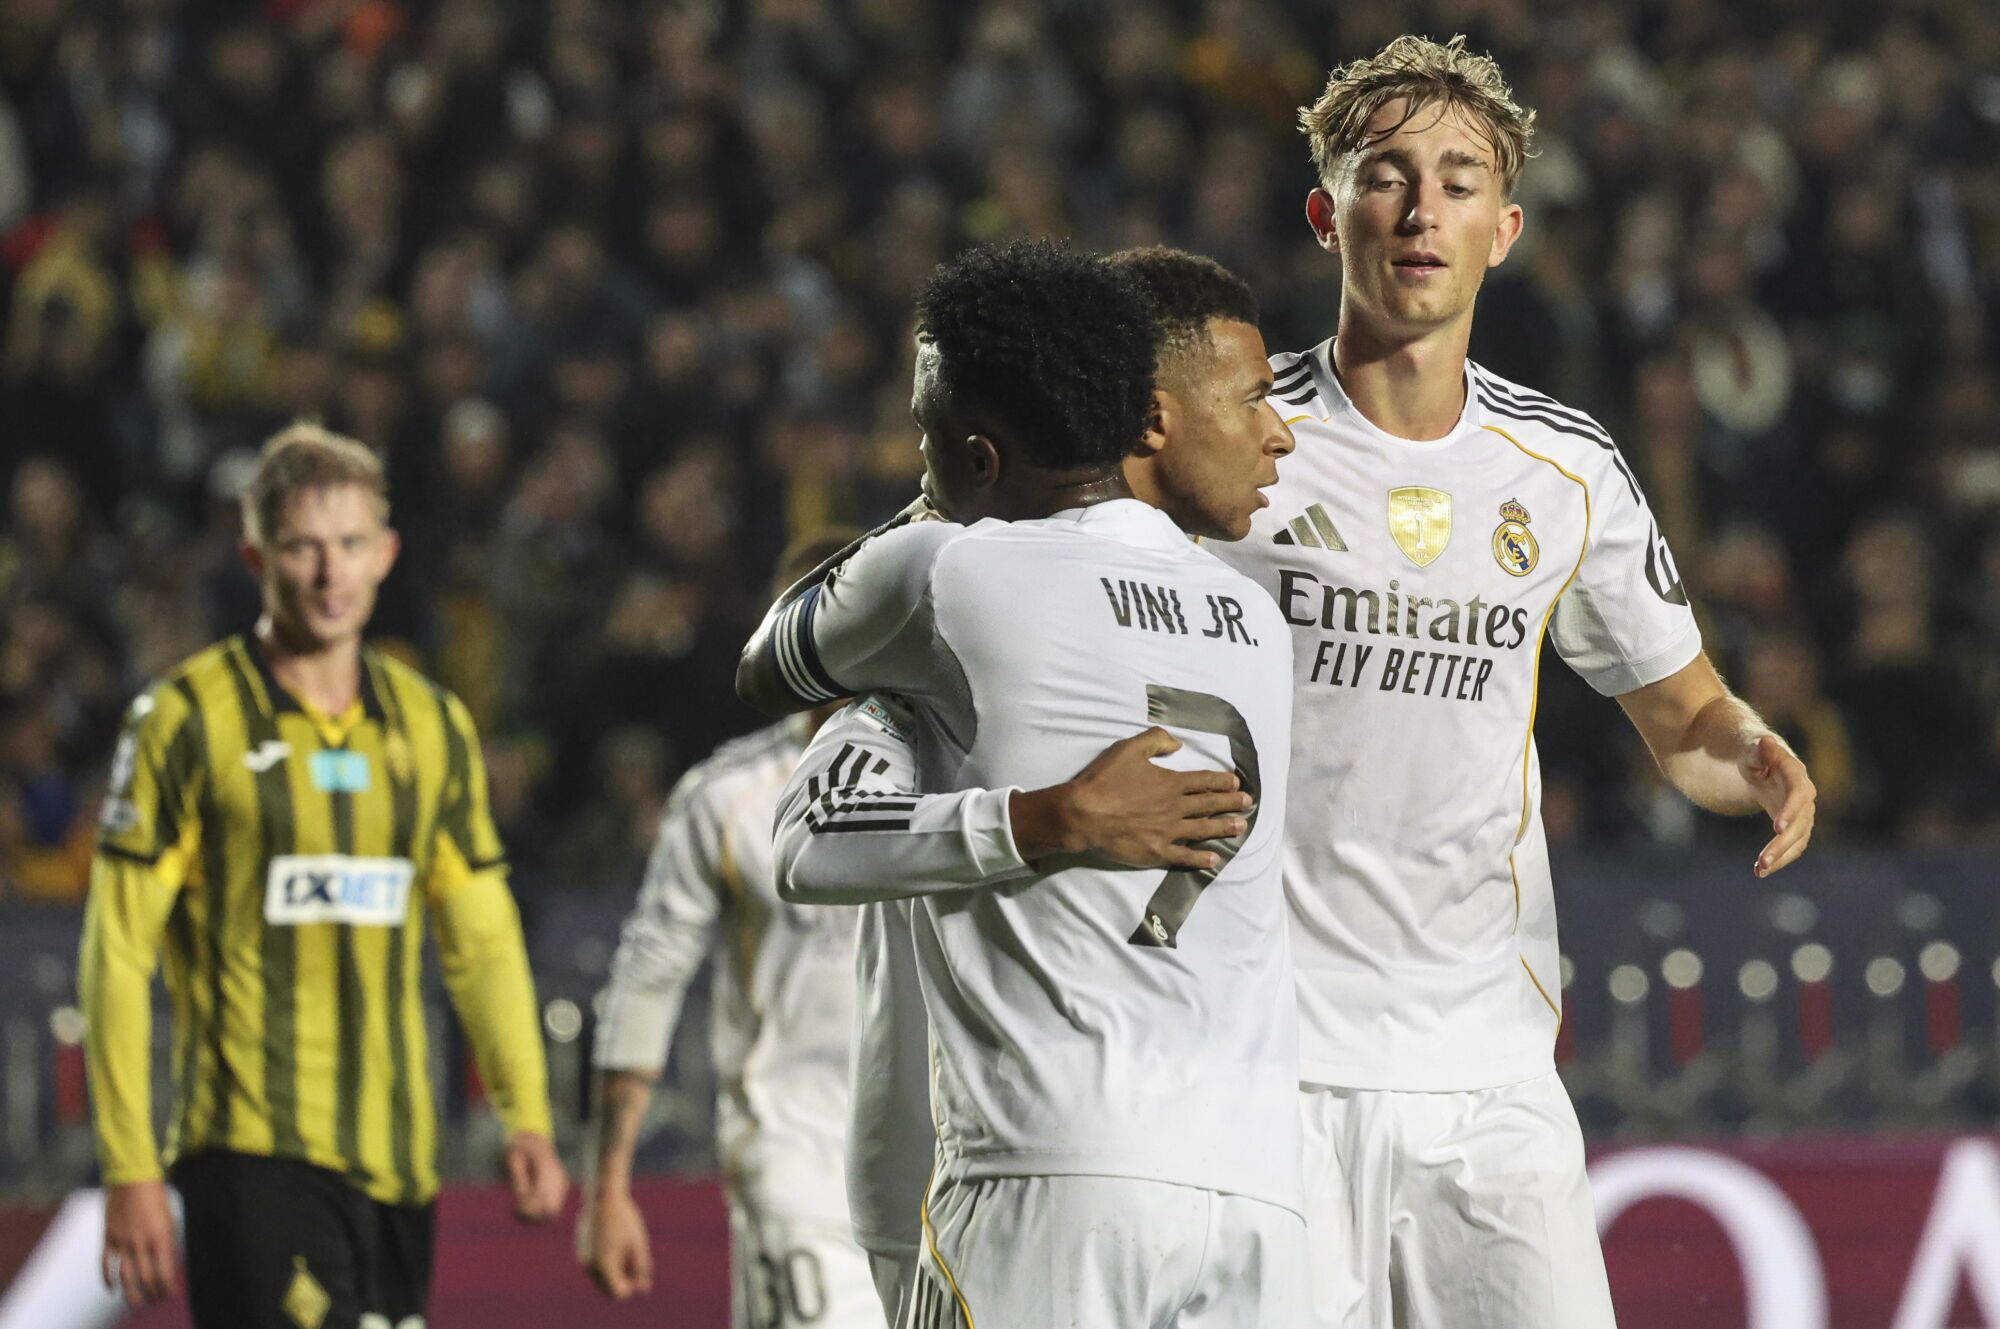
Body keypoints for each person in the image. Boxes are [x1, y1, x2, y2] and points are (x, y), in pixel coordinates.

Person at [1208, 36, 1820, 1327]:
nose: (1422, 210)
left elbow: (1684, 715)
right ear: (1327, 216)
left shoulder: (1566, 466)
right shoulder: (1235, 440)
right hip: (1266, 1060)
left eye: (1459, 178)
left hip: (1487, 1070)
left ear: (1506, 226)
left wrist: (1751, 749)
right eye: (1386, 176)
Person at [741, 240, 1308, 1327]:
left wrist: (1038, 818)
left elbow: (769, 668)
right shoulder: (1251, 620)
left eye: (925, 438)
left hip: (1049, 1172)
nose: (917, 461)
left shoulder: (945, 574)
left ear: (977, 454)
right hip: (1254, 1193)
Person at [79, 422, 567, 1328]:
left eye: (349, 545)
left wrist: (525, 1110)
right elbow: (116, 952)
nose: (329, 573)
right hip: (248, 1149)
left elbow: (483, 936)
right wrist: (130, 1162)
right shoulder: (184, 720)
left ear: (386, 553)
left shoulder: (429, 723)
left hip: (397, 1159)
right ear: (255, 554)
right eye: (302, 546)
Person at [576, 527, 896, 1328]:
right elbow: (647, 981)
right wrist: (607, 1184)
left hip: (937, 1167)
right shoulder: (728, 799)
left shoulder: (955, 773)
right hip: (794, 1162)